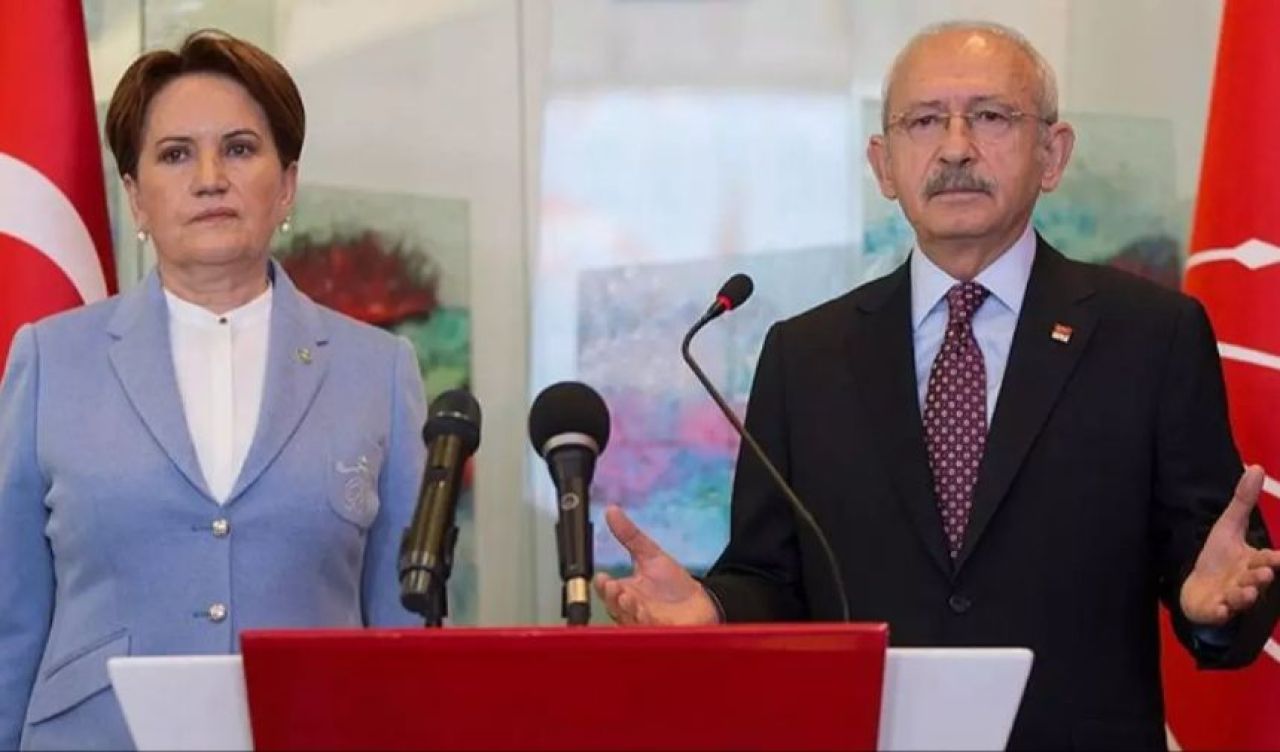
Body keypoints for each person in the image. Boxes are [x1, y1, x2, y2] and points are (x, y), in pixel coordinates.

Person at [594, 20, 1280, 750]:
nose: (955, 148)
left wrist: (1217, 607)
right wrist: (714, 611)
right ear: (884, 165)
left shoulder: (1151, 335)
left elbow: (1215, 570)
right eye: (924, 121)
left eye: (990, 116)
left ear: (1052, 153)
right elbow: (772, 577)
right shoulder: (806, 356)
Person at [0, 30, 426, 750]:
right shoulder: (50, 360)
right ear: (134, 197)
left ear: (285, 185)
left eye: (239, 149)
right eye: (175, 154)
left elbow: (405, 623)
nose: (209, 178)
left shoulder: (377, 370)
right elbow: (9, 617)